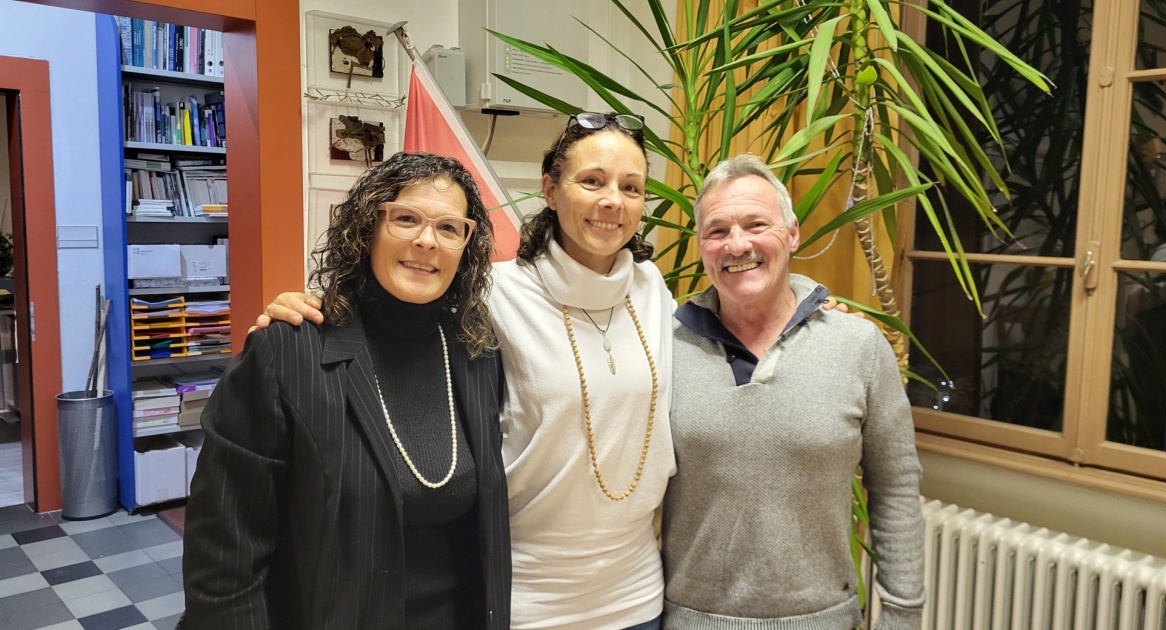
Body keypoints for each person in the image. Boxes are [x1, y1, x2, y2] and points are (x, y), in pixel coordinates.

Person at [258, 112, 676, 629]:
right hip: (529, 596)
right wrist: (308, 311)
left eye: (631, 187)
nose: (613, 200)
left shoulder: (654, 290)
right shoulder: (491, 293)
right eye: (592, 180)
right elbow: (398, 308)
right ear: (550, 189)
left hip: (637, 593)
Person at [181, 152, 511, 629]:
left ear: (466, 246)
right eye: (405, 218)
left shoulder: (476, 353)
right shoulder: (287, 351)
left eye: (448, 228)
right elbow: (224, 555)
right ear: (366, 227)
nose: (426, 241)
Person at [663, 154, 925, 628]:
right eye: (717, 231)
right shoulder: (665, 346)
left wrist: (901, 616)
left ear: (792, 233)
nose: (737, 244)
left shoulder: (858, 346)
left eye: (756, 224)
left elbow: (896, 487)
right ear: (701, 246)